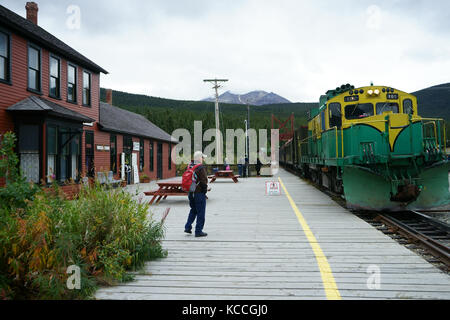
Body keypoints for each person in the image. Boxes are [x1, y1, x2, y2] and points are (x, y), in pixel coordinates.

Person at [184, 151, 209, 238]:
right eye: (202, 157)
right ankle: (198, 231)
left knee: (193, 210)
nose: (203, 159)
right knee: (201, 212)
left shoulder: (189, 165)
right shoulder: (200, 167)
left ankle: (187, 227)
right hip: (198, 193)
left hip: (190, 192)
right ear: (199, 158)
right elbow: (204, 181)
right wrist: (204, 191)